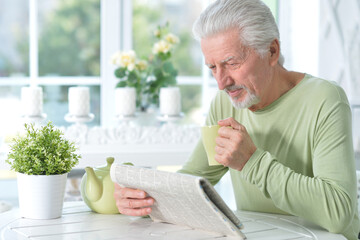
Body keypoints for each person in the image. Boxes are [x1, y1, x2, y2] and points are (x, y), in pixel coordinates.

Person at [113, 0, 360, 239]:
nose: (221, 82)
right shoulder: (225, 103)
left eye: (231, 63)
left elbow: (339, 212)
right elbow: (192, 181)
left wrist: (251, 162)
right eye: (212, 68)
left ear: (272, 51)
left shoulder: (324, 98)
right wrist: (140, 197)